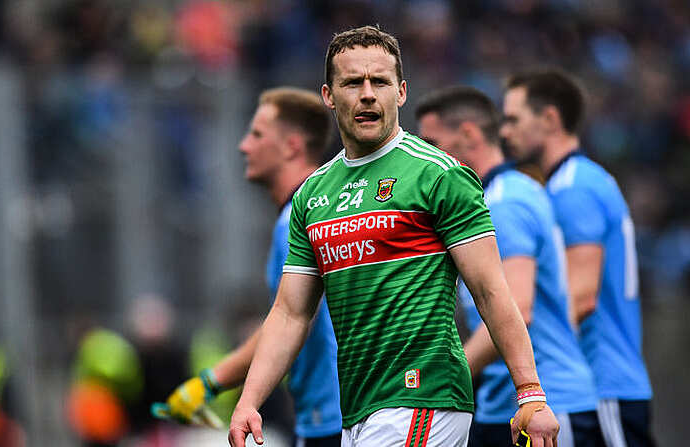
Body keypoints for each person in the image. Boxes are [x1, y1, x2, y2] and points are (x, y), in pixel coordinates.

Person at [228, 25, 559, 447]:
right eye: (352, 82)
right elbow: (291, 313)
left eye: (379, 82)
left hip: (424, 396)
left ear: (400, 92)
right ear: (329, 96)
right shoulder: (313, 194)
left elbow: (492, 291)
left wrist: (530, 393)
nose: (367, 93)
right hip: (359, 410)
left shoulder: (438, 174)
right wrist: (249, 401)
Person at [155, 87, 343, 446]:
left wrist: (211, 381)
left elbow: (290, 319)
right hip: (326, 414)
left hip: (333, 418)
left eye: (257, 134)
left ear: (291, 146)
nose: (244, 146)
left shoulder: (299, 219)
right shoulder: (314, 211)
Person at [416, 86, 603, 447]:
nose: (424, 157)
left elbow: (518, 305)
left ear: (468, 135)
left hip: (544, 405)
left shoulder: (501, 202)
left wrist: (446, 377)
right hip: (504, 403)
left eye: (431, 143)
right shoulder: (512, 190)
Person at [499, 70, 654, 447]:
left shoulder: (572, 188)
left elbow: (580, 298)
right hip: (609, 382)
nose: (504, 132)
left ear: (550, 119)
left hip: (603, 384)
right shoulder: (579, 180)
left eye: (514, 119)